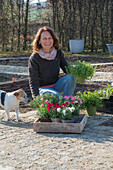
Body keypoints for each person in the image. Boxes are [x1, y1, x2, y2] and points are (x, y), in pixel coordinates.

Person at [28, 26, 76, 98]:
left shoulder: (58, 52)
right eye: (44, 39)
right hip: (43, 89)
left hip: (57, 85)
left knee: (72, 77)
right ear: (39, 41)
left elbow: (67, 69)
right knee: (56, 96)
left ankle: (66, 101)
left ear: (53, 39)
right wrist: (36, 97)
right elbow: (33, 80)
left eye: (49, 38)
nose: (47, 41)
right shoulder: (35, 58)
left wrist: (78, 73)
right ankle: (63, 106)